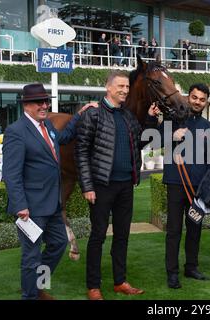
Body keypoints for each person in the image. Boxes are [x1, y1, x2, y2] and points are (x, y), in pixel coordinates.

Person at [3, 83, 95, 300]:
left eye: (46, 101)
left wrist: (79, 115)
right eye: (38, 102)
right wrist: (20, 205)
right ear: (26, 105)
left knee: (59, 244)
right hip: (31, 208)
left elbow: (63, 138)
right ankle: (31, 296)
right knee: (31, 256)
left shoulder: (48, 127)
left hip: (53, 204)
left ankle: (39, 288)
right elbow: (11, 173)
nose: (44, 105)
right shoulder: (16, 132)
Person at [75, 71, 160, 300]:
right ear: (108, 87)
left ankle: (120, 281)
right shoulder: (92, 114)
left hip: (125, 186)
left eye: (127, 87)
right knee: (98, 236)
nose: (125, 90)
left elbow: (142, 140)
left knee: (122, 236)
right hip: (101, 186)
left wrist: (151, 119)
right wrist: (87, 186)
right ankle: (93, 286)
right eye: (121, 86)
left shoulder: (128, 116)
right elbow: (81, 152)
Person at [154, 83, 210, 289]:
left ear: (206, 102)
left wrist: (207, 187)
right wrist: (172, 136)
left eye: (202, 99)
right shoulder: (173, 119)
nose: (197, 102)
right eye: (194, 97)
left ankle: (191, 266)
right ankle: (172, 272)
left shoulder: (208, 127)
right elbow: (153, 141)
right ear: (189, 97)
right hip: (176, 184)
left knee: (195, 228)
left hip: (198, 188)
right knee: (174, 230)